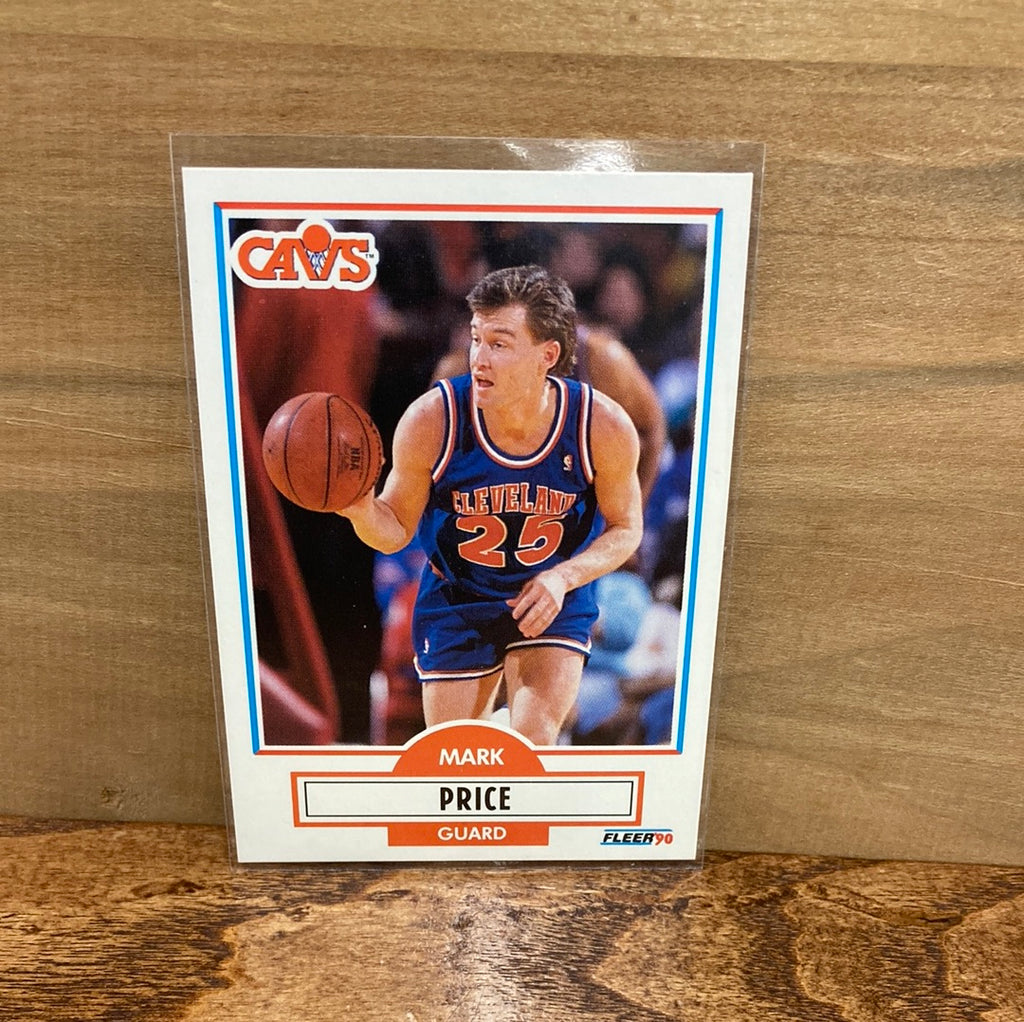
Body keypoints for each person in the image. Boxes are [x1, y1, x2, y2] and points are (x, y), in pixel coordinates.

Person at [339, 265, 643, 745]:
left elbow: (626, 528)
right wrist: (359, 508)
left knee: (531, 742)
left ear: (547, 355)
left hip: (548, 594)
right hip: (459, 595)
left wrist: (565, 577)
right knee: (457, 753)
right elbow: (394, 529)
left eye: (499, 344)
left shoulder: (601, 425)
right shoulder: (432, 419)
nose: (479, 357)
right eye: (476, 338)